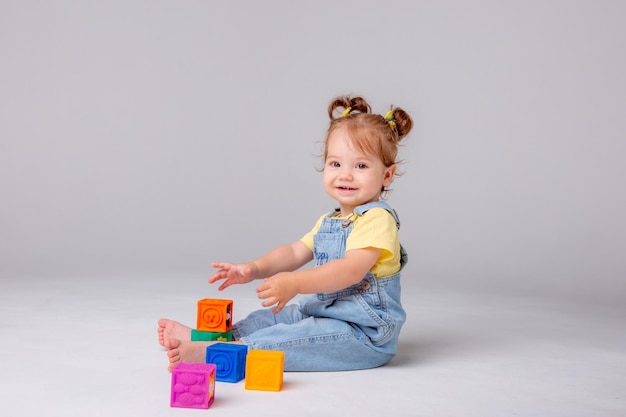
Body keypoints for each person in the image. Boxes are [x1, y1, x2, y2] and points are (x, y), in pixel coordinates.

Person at [158, 95, 413, 372]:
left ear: (387, 175)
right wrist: (253, 268)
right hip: (321, 312)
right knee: (268, 319)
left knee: (291, 338)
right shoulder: (331, 220)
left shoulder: (377, 219)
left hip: (363, 333)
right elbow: (294, 252)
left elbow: (350, 271)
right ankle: (216, 339)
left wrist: (296, 283)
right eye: (336, 164)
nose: (345, 175)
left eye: (361, 166)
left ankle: (219, 354)